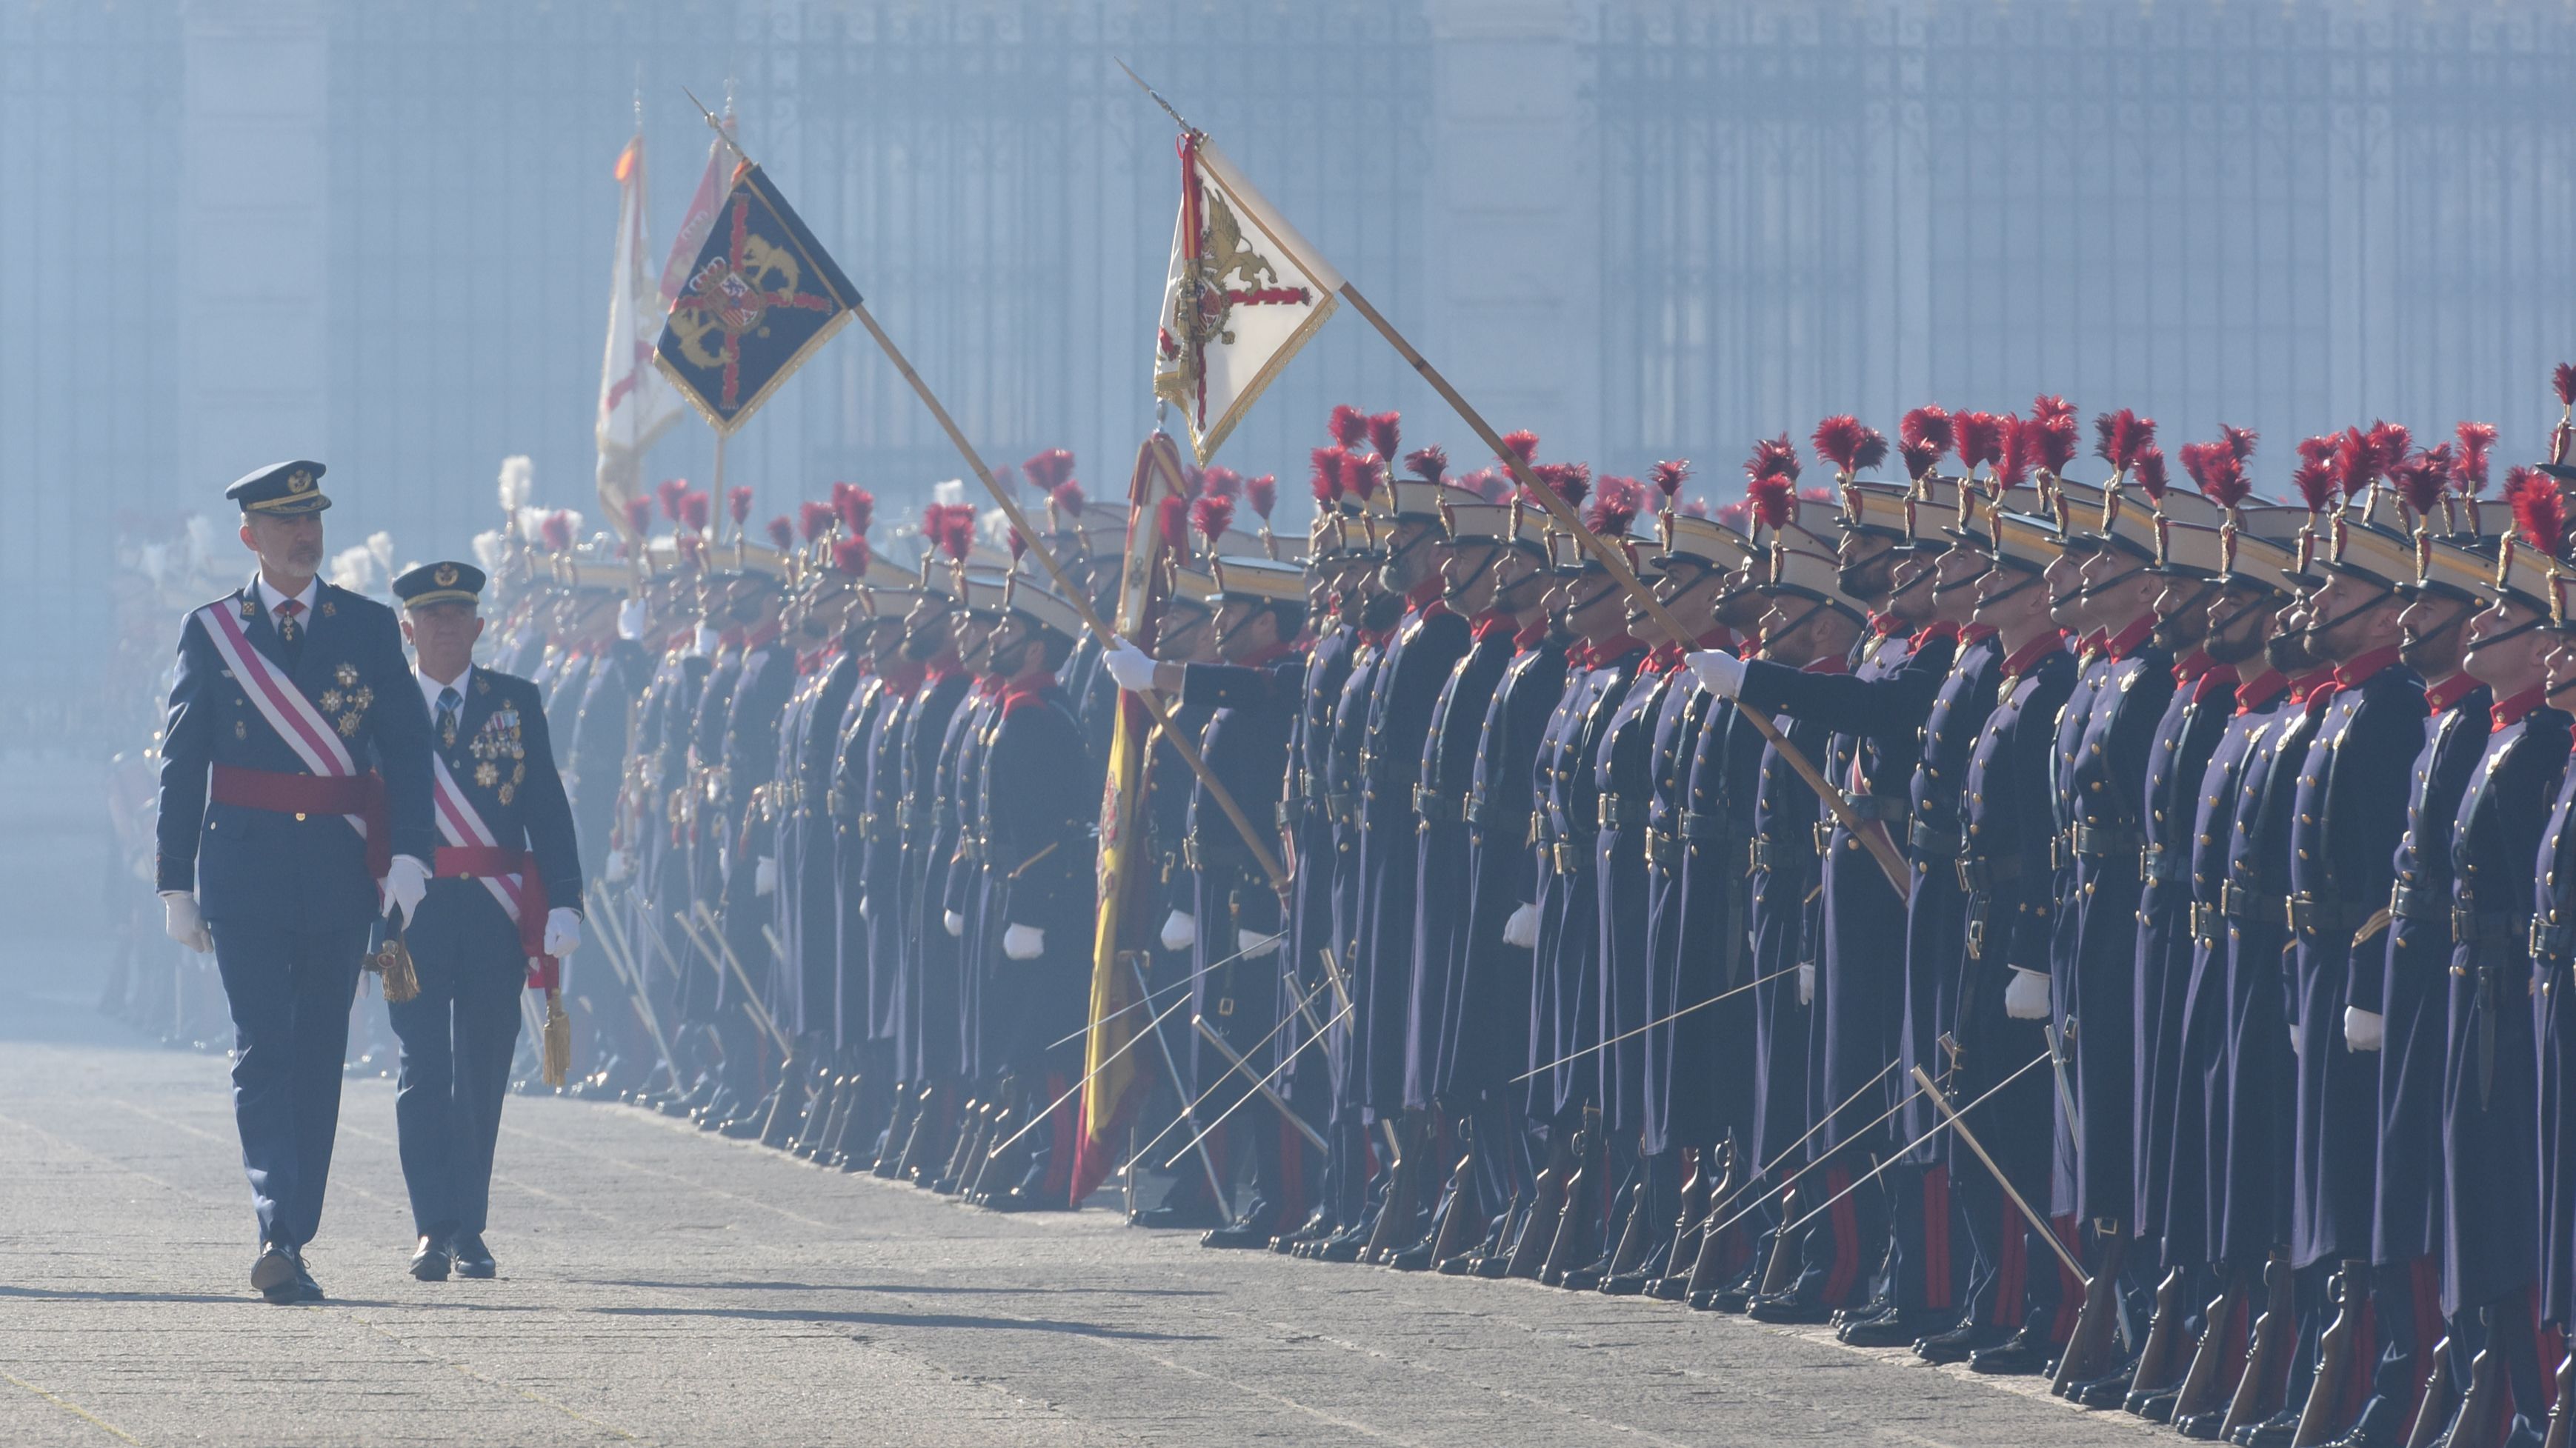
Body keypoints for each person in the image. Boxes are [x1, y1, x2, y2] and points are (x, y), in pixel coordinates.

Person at [154, 460, 435, 1303]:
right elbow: (181, 761)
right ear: (251, 537)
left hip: (337, 873)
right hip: (242, 869)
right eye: (285, 523)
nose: (305, 534)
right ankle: (279, 1225)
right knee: (260, 1046)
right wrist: (174, 881)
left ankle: (293, 1227)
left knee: (319, 1051)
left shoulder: (368, 626)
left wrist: (412, 855)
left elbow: (409, 750)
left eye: (313, 517)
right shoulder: (211, 630)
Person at [385, 560, 583, 1281]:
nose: (443, 626)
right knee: (422, 1068)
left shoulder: (515, 700)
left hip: (495, 912)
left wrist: (565, 898)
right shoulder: (387, 703)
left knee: (482, 1070)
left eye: (456, 613)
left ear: (478, 624)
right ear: (407, 628)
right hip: (414, 911)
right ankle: (431, 1225)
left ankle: (470, 1225)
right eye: (429, 616)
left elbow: (547, 807)